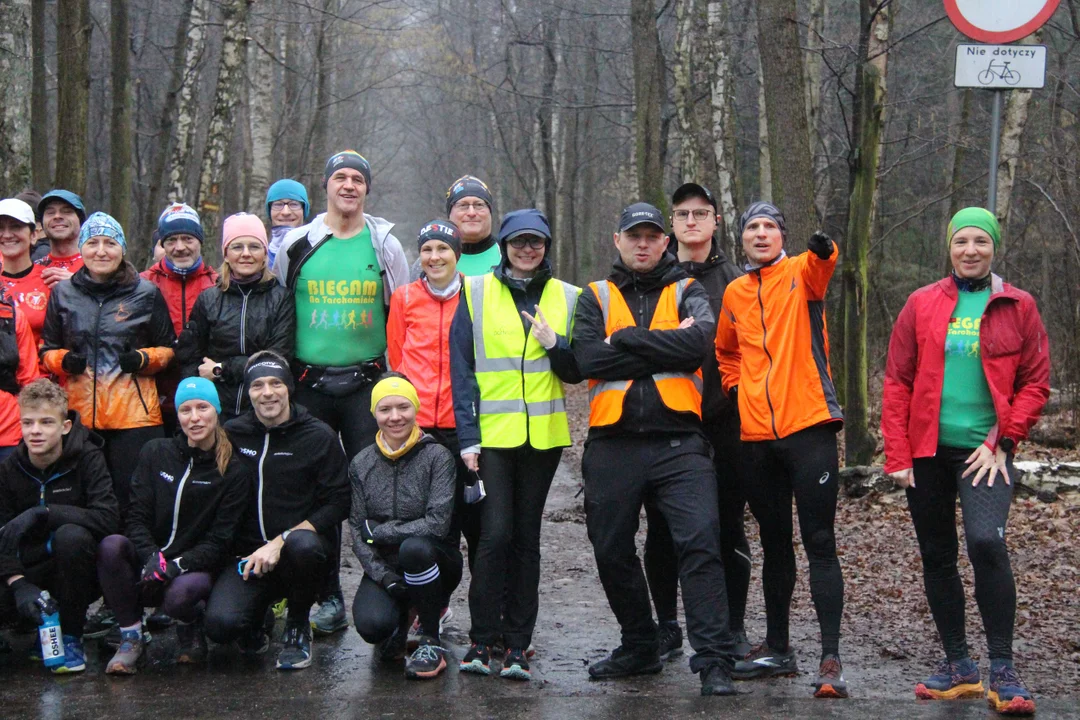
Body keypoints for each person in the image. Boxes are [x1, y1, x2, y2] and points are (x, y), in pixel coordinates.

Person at [882, 208, 1049, 715]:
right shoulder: (921, 303)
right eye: (962, 241)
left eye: (981, 241)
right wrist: (897, 452)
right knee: (937, 553)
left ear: (994, 247)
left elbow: (1034, 383)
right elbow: (898, 381)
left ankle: (1002, 667)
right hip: (927, 449)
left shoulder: (1018, 305)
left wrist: (1003, 439)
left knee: (985, 543)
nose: (970, 250)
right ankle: (959, 665)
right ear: (949, 247)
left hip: (987, 451)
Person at [571, 202, 737, 697]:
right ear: (617, 241)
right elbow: (586, 359)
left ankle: (714, 661)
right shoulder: (594, 296)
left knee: (701, 543)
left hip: (680, 443)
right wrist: (660, 344)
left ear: (665, 243)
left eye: (651, 236)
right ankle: (641, 643)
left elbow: (698, 346)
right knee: (610, 548)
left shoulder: (688, 290)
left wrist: (626, 341)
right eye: (633, 236)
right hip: (612, 443)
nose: (642, 244)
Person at [273, 150, 408, 635]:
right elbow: (280, 304)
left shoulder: (384, 242)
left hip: (366, 386)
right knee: (318, 492)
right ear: (325, 186)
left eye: (357, 179)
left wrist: (398, 380)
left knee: (377, 488)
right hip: (309, 384)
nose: (348, 185)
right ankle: (325, 595)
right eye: (340, 178)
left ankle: (391, 585)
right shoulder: (297, 242)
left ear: (367, 189)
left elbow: (402, 309)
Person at [714, 201, 846, 698]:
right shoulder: (734, 292)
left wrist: (822, 247)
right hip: (756, 439)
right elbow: (726, 350)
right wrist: (733, 389)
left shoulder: (801, 273)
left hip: (808, 427)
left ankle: (830, 657)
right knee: (773, 543)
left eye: (770, 226)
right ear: (742, 239)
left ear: (783, 236)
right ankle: (778, 648)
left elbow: (825, 261)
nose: (762, 234)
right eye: (753, 227)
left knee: (819, 540)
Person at [450, 208, 581, 680]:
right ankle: (482, 640)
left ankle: (519, 644)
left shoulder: (568, 296)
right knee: (495, 534)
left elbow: (577, 370)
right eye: (520, 241)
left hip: (543, 440)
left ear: (547, 246)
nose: (528, 250)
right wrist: (467, 436)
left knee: (527, 538)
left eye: (537, 242)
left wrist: (554, 344)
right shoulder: (477, 291)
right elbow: (461, 371)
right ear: (504, 245)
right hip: (493, 439)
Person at [641, 183, 750, 663]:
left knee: (726, 529)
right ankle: (666, 625)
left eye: (700, 213)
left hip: (726, 421)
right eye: (682, 213)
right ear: (672, 224)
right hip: (667, 422)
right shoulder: (652, 278)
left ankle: (733, 628)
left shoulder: (737, 280)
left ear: (715, 221)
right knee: (662, 532)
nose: (691, 222)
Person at [204, 352, 350, 671]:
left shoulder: (318, 436)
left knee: (304, 546)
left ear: (288, 388)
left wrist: (282, 539)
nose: (267, 392)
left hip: (299, 554)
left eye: (275, 384)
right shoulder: (233, 432)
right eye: (257, 385)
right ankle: (258, 618)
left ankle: (297, 625)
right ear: (249, 392)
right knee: (220, 627)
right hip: (248, 557)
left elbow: (339, 502)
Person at [96, 377, 249, 674]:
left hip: (194, 567)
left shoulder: (233, 469)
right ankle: (131, 636)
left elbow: (220, 539)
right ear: (177, 415)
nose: (194, 418)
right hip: (151, 560)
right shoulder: (156, 451)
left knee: (180, 594)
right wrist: (150, 555)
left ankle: (189, 625)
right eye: (185, 410)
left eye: (202, 408)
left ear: (216, 410)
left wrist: (177, 564)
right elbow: (135, 514)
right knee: (111, 546)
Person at [40, 212, 176, 520]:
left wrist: (143, 359)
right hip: (80, 417)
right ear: (82, 249)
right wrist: (63, 361)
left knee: (135, 505)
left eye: (110, 243)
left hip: (135, 419)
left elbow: (169, 350)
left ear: (123, 249)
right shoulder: (64, 294)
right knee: (85, 504)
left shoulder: (146, 292)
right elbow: (46, 350)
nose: (101, 251)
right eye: (93, 243)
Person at [387, 220, 474, 639]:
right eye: (427, 250)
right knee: (424, 523)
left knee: (459, 521)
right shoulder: (404, 298)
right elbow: (398, 358)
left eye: (443, 249)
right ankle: (422, 605)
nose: (435, 257)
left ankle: (454, 608)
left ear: (457, 253)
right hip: (417, 431)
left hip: (462, 428)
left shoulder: (475, 295)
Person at [0, 380, 118, 673]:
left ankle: (71, 635)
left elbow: (108, 518)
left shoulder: (89, 458)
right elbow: (2, 533)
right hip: (30, 568)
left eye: (46, 422)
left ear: (65, 426)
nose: (35, 431)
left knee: (71, 536)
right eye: (28, 422)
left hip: (78, 569)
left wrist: (45, 513)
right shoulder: (9, 468)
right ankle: (28, 626)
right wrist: (18, 584)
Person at [349, 374, 462, 679]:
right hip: (387, 565)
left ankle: (430, 640)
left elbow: (437, 525)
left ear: (415, 409)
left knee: (414, 548)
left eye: (403, 407)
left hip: (435, 560)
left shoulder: (438, 456)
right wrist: (383, 577)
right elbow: (358, 533)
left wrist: (382, 532)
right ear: (374, 413)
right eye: (385, 409)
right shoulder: (361, 463)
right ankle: (398, 623)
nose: (395, 417)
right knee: (372, 625)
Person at [178, 213, 295, 422]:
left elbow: (276, 359)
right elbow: (190, 357)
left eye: (254, 247)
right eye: (237, 247)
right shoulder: (208, 299)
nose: (246, 254)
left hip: (265, 408)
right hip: (217, 410)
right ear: (226, 254)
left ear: (265, 253)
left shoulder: (281, 298)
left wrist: (220, 369)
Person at [141, 203, 218, 434]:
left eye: (188, 239)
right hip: (151, 396)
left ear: (200, 242)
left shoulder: (218, 284)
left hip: (203, 397)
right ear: (162, 244)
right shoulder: (142, 284)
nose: (180, 247)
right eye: (171, 240)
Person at [0, 198, 52, 348]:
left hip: (41, 370)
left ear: (34, 235)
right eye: (0, 228)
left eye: (16, 227)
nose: (7, 235)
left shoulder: (50, 281)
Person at [33, 189, 86, 286]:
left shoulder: (96, 266)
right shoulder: (33, 269)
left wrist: (78, 284)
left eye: (66, 211)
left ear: (80, 220)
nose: (57, 216)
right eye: (50, 212)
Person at [265, 179, 310, 268]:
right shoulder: (259, 259)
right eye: (278, 204)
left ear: (304, 210)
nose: (285, 212)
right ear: (269, 211)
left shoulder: (317, 253)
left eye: (294, 204)